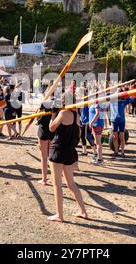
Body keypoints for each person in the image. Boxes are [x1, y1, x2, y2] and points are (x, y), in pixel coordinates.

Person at [48, 93, 87, 223]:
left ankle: (59, 215)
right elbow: (78, 134)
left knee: (57, 185)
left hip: (58, 151)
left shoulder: (63, 113)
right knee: (71, 184)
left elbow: (51, 128)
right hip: (70, 152)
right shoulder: (77, 116)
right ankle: (83, 211)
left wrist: (53, 114)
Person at [109, 92, 134, 158]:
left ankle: (122, 152)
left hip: (121, 121)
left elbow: (132, 99)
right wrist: (114, 93)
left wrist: (125, 95)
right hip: (114, 121)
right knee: (115, 137)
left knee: (122, 137)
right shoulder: (112, 101)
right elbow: (107, 95)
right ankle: (116, 152)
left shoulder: (123, 101)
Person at [36, 101, 55, 185]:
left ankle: (44, 179)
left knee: (44, 157)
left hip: (43, 130)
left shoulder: (43, 103)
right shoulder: (57, 103)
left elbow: (38, 117)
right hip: (52, 130)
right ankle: (52, 178)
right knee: (51, 156)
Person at [89, 99, 105, 165]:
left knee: (98, 143)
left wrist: (91, 122)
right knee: (97, 142)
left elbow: (98, 114)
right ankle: (99, 158)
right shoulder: (94, 102)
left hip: (97, 124)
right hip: (96, 124)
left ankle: (100, 159)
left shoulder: (97, 103)